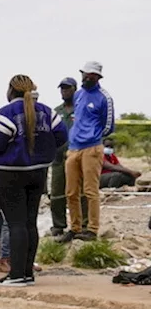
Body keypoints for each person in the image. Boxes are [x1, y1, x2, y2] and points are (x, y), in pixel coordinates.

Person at [0, 75, 68, 287]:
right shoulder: (47, 111)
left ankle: (16, 275)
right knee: (30, 223)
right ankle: (27, 273)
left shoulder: (6, 113)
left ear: (11, 90)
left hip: (10, 173)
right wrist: (42, 151)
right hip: (38, 172)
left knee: (15, 224)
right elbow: (62, 136)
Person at [63, 61, 115, 242]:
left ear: (97, 77)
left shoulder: (104, 97)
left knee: (90, 190)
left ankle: (92, 229)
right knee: (71, 191)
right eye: (85, 74)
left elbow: (109, 126)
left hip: (91, 147)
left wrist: (93, 136)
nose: (86, 77)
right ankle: (75, 227)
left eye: (91, 75)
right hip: (73, 147)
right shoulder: (78, 94)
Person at [49, 79, 77, 237]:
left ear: (75, 89)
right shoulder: (56, 111)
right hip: (58, 156)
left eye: (68, 88)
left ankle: (80, 224)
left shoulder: (80, 109)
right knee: (57, 192)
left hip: (75, 154)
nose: (64, 91)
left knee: (77, 192)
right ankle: (58, 225)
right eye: (62, 89)